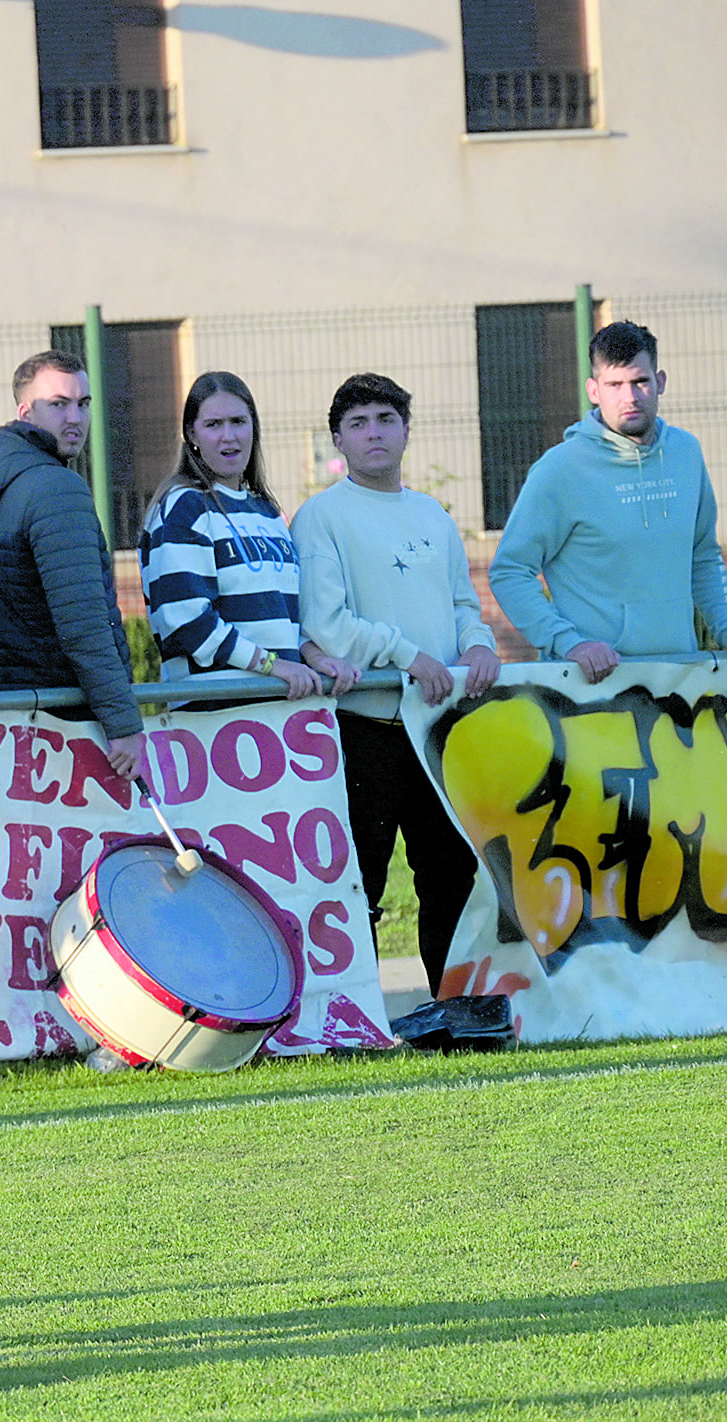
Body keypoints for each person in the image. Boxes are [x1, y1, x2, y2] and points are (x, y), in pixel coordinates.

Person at [296, 374, 502, 994]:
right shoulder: (320, 517)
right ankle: (353, 1013)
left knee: (450, 874)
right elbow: (327, 626)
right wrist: (409, 656)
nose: (374, 433)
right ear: (338, 438)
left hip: (438, 730)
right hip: (366, 727)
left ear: (406, 430)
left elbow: (465, 601)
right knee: (362, 878)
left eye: (386, 419)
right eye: (357, 424)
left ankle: (451, 1004)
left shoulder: (432, 515)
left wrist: (477, 646)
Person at [490, 320, 727, 682]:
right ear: (594, 390)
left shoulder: (686, 452)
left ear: (661, 382)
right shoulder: (560, 469)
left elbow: (701, 554)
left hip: (678, 677)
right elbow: (510, 571)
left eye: (640, 381)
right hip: (591, 685)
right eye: (614, 385)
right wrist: (569, 643)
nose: (630, 397)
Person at [0, 351, 146, 783]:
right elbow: (84, 624)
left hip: (17, 711)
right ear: (25, 411)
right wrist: (122, 724)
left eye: (83, 404)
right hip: (73, 720)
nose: (75, 417)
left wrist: (15, 683)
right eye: (58, 404)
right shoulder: (56, 487)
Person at [139, 371, 357, 699]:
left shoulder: (267, 512)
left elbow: (284, 622)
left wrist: (316, 659)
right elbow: (187, 624)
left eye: (239, 421)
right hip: (215, 717)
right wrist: (273, 666)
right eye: (214, 425)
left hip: (280, 713)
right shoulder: (184, 507)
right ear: (191, 434)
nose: (229, 436)